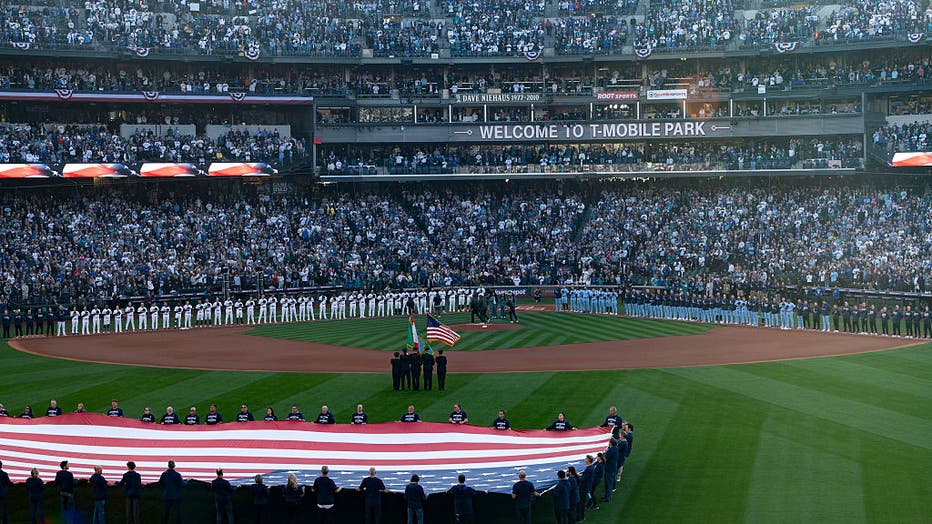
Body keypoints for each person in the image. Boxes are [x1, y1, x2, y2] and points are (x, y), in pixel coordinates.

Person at [0, 460, 12, 524]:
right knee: (4, 510)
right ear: (1, 466)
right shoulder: (4, 474)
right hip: (3, 493)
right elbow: (9, 483)